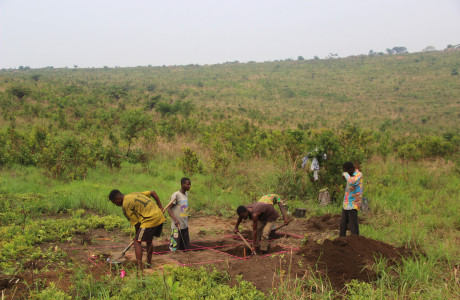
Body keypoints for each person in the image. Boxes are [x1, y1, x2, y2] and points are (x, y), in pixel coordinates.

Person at [108, 189, 165, 271]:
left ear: (117, 198)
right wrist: (160, 207)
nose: (116, 205)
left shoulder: (125, 205)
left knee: (137, 242)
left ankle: (140, 267)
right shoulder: (133, 194)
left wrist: (137, 237)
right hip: (159, 216)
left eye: (114, 202)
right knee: (148, 241)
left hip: (150, 219)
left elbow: (137, 224)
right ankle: (148, 263)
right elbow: (153, 192)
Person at [339, 161, 363, 237]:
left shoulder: (358, 175)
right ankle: (340, 240)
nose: (346, 173)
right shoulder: (350, 175)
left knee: (353, 226)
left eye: (346, 171)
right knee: (342, 224)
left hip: (353, 204)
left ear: (350, 169)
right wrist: (346, 175)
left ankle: (356, 242)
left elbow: (352, 182)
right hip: (346, 203)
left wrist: (345, 174)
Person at [168, 177, 191, 251]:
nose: (189, 186)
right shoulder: (176, 195)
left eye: (190, 184)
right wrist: (175, 220)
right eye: (187, 184)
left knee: (185, 247)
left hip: (184, 225)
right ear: (182, 184)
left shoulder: (186, 194)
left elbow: (182, 206)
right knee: (174, 248)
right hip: (176, 226)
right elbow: (169, 209)